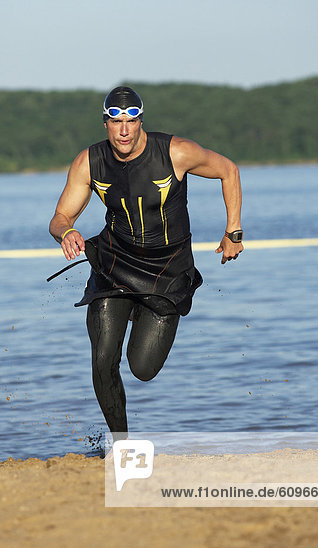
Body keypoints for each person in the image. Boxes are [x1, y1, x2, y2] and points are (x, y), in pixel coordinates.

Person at [49, 86, 243, 441]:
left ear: (140, 122)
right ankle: (122, 448)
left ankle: (141, 309)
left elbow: (229, 170)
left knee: (142, 368)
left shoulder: (175, 152)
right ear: (105, 123)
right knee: (103, 358)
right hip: (114, 264)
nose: (124, 130)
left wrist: (233, 232)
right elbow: (60, 216)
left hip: (167, 272)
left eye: (131, 120)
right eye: (116, 121)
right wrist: (67, 233)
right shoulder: (90, 162)